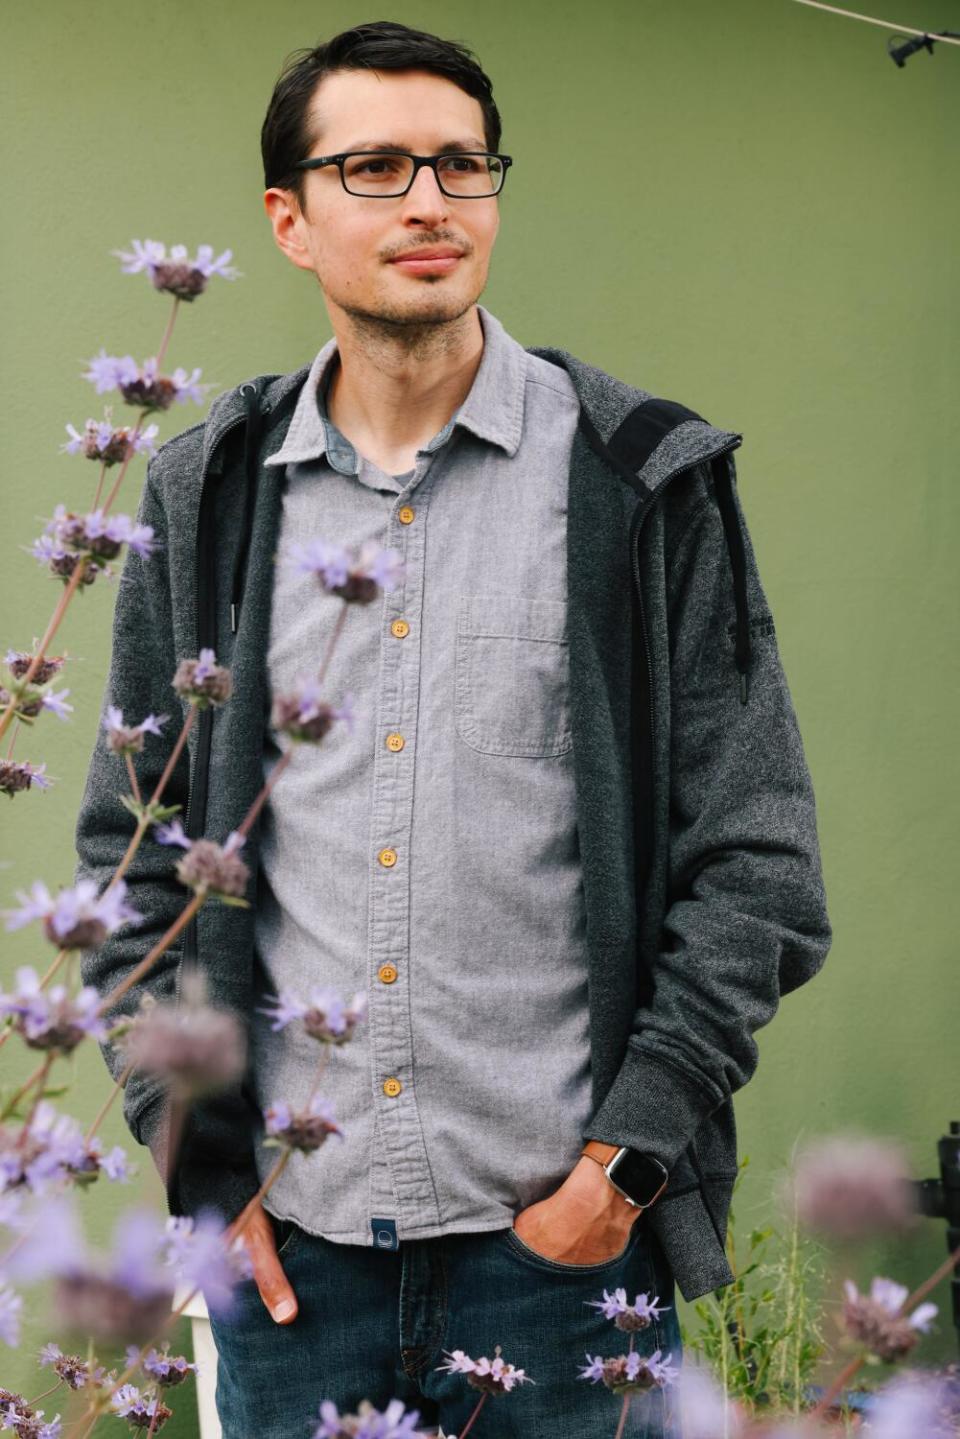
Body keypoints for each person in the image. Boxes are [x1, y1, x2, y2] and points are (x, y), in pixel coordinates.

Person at [76, 19, 832, 1438]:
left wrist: (624, 1169)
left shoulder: (642, 484)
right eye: (376, 166)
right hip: (294, 1264)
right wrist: (201, 1171)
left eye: (462, 164)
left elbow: (759, 865)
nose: (431, 201)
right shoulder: (203, 502)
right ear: (288, 221)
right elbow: (138, 871)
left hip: (555, 1260)